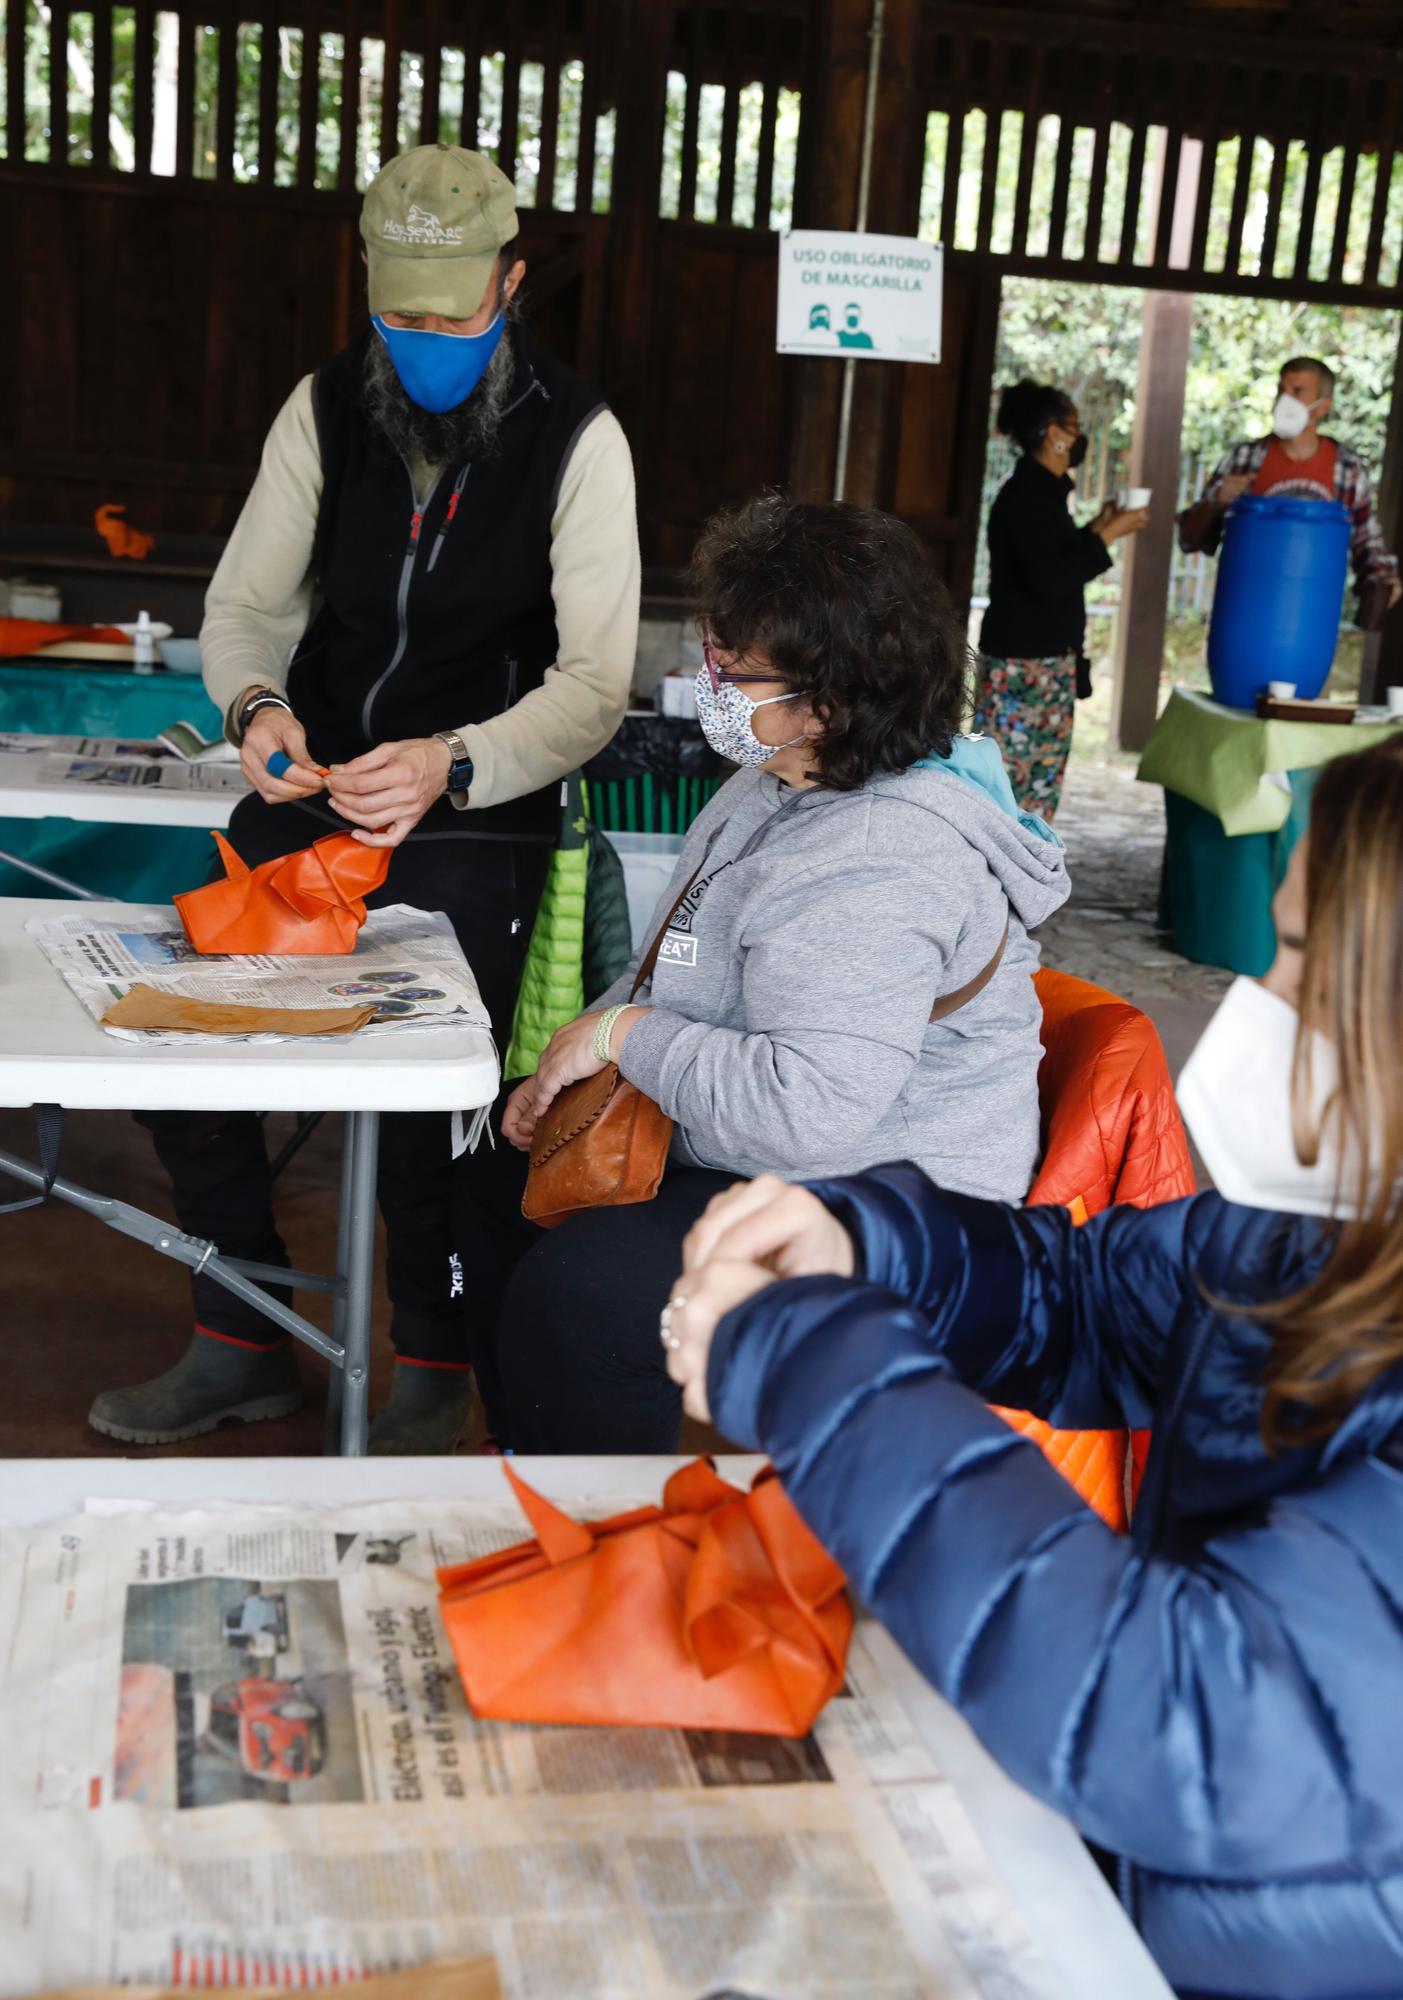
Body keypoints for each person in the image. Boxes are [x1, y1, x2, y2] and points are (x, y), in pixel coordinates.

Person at [661, 733, 1403, 2000]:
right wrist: (868, 1239)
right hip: (1125, 1897)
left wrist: (807, 1358)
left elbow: (1173, 1709)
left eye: (1299, 969)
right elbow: (1091, 1295)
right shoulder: (1336, 1254)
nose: (1248, 1001)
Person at [88, 142, 640, 1455]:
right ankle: (239, 1335)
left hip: (477, 810)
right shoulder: (325, 406)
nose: (423, 344)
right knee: (185, 1036)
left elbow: (594, 685)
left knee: (421, 1103)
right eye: (399, 319)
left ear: (512, 283)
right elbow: (245, 612)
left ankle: (433, 1360)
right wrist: (258, 710)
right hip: (314, 787)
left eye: (454, 318)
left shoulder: (577, 437)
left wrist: (455, 757)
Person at [478, 495, 1070, 1453]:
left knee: (581, 1297)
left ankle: (600, 1555)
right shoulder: (773, 781)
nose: (703, 683)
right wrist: (569, 1059)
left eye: (730, 670)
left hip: (881, 1198)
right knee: (490, 1160)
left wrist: (621, 1038)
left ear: (830, 700)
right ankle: (519, 1468)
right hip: (761, 1146)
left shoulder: (885, 856)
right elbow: (665, 961)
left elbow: (808, 1107)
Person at [976, 380, 1147, 823]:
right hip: (1025, 667)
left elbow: (1055, 559)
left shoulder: (1045, 494)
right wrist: (1110, 534)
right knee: (1012, 789)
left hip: (1044, 663)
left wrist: (1096, 528)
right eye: (1073, 425)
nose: (1078, 435)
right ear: (1053, 433)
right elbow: (1050, 578)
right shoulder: (1026, 497)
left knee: (1033, 785)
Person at [1178, 354, 1401, 619]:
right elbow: (1190, 539)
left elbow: (1366, 539)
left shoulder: (1346, 469)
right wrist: (1215, 502)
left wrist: (1382, 579)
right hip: (1243, 607)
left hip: (1309, 613)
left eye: (1298, 392)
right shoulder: (1244, 460)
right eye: (1281, 390)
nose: (1285, 400)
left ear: (1322, 406)